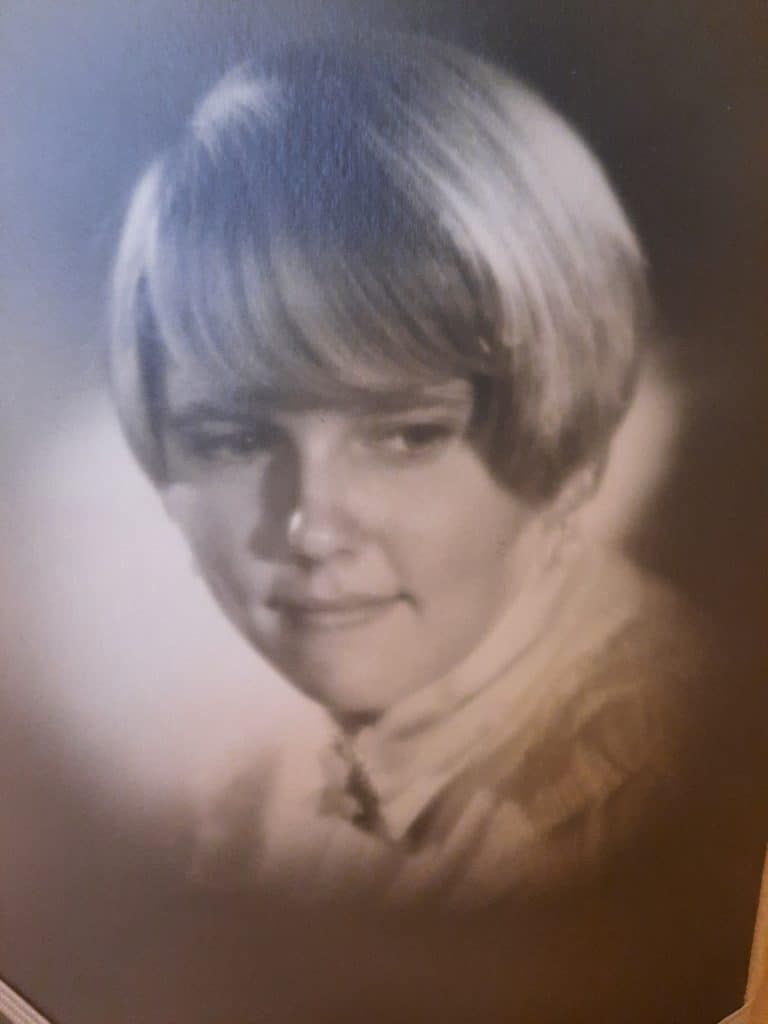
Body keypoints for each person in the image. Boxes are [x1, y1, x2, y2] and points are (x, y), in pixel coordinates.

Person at [109, 34, 717, 909]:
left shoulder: (642, 796)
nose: (311, 528)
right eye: (236, 439)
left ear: (568, 453)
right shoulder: (257, 797)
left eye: (408, 436)